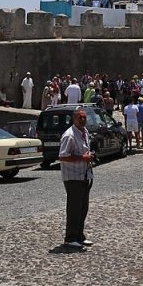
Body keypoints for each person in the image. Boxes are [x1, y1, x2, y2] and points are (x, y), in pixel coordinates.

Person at [59, 106, 95, 249]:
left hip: (85, 175)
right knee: (74, 208)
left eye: (84, 117)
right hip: (73, 177)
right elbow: (62, 156)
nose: (82, 119)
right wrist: (82, 158)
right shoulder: (69, 135)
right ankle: (70, 237)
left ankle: (79, 235)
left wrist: (89, 156)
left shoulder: (84, 132)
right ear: (74, 119)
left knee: (83, 208)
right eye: (80, 117)